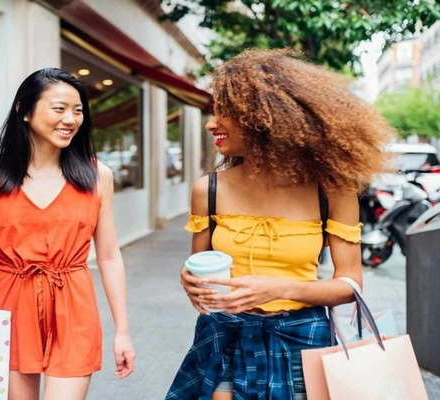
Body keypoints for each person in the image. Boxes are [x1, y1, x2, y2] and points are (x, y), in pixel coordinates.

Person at [166, 49, 393, 400]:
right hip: (227, 334)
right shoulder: (207, 189)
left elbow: (349, 285)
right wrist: (190, 278)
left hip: (303, 339)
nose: (212, 124)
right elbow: (201, 269)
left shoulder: (330, 190)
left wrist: (276, 288)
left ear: (264, 119)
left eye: (225, 113)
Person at [0, 68, 135, 400]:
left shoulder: (96, 175)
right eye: (59, 108)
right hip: (9, 307)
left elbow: (108, 255)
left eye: (78, 111)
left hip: (74, 304)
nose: (71, 119)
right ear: (24, 110)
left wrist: (122, 330)